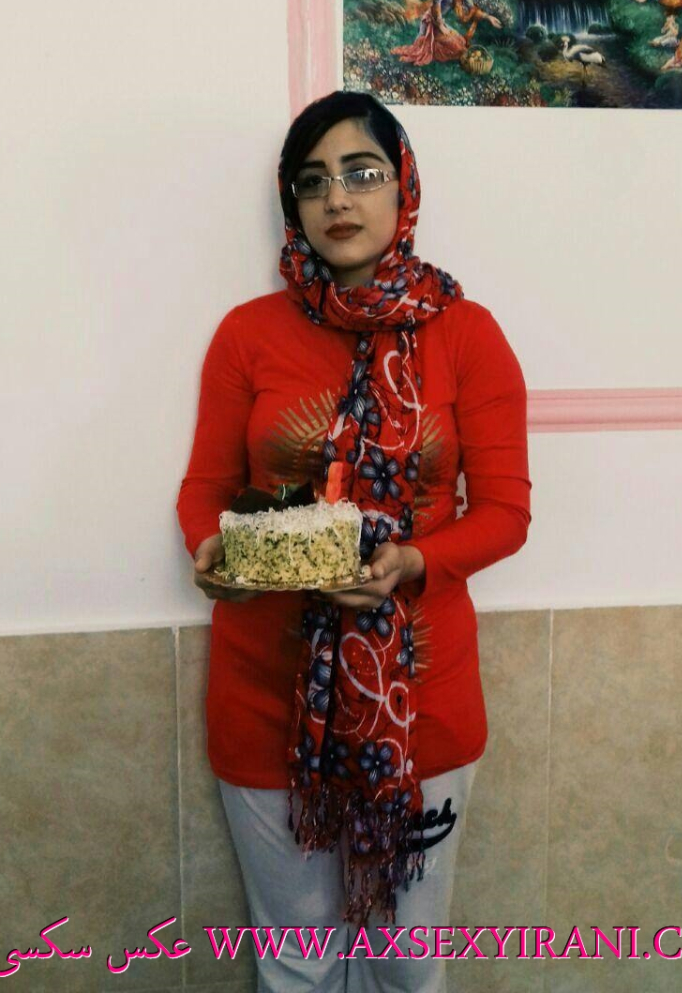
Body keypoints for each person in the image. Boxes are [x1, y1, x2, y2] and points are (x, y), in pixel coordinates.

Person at [176, 90, 532, 992]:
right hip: (266, 699)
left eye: (362, 173)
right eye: (312, 181)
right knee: (297, 962)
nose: (336, 198)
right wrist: (213, 554)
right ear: (291, 204)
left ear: (403, 187)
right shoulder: (247, 335)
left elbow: (505, 511)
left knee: (406, 963)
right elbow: (207, 491)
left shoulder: (467, 334)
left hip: (422, 702)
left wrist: (413, 563)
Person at [391, 0, 502, 66]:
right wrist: (440, 25)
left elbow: (472, 8)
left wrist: (489, 17)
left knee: (461, 42)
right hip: (431, 20)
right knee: (455, 47)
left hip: (440, 23)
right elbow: (436, 2)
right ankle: (432, 45)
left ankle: (436, 43)